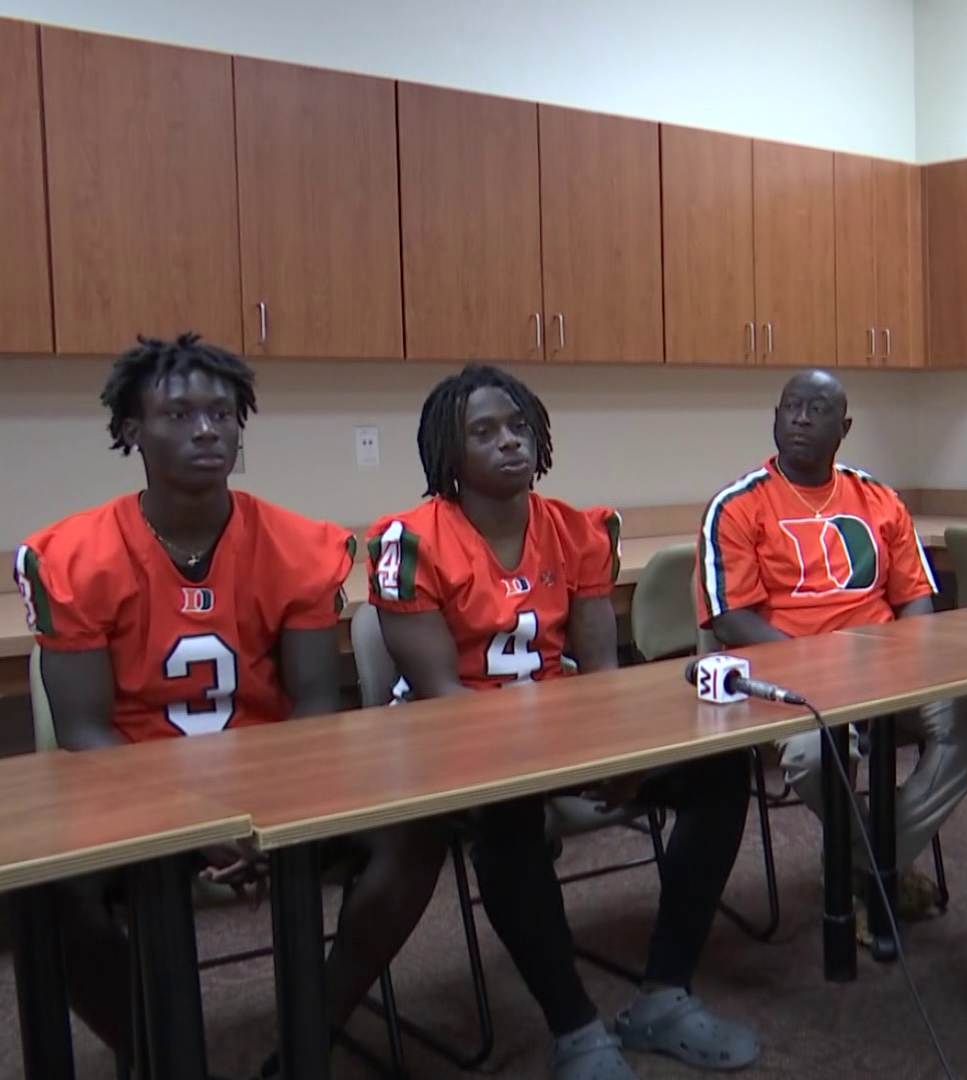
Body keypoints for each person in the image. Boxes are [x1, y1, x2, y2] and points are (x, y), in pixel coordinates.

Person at [11, 334, 445, 1074]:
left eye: (221, 413)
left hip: (273, 784)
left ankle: (310, 1032)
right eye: (178, 415)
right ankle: (160, 1056)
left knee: (417, 834)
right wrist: (196, 821)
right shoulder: (74, 558)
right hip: (132, 793)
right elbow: (84, 733)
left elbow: (313, 709)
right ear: (131, 431)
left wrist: (260, 814)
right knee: (44, 892)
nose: (206, 429)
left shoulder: (294, 544)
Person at [370, 364, 757, 1080]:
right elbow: (440, 696)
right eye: (483, 432)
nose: (510, 442)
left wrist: (617, 752)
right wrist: (560, 761)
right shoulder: (412, 540)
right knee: (508, 812)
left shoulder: (578, 531)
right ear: (449, 455)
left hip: (562, 727)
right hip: (458, 743)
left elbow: (599, 675)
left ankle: (664, 993)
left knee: (719, 766)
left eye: (519, 426)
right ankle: (576, 1030)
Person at [698, 369, 967, 944]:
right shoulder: (738, 505)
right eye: (791, 407)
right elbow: (731, 618)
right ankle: (880, 867)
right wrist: (819, 669)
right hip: (792, 678)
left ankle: (865, 865)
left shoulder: (879, 499)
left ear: (844, 427)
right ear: (775, 418)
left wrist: (906, 660)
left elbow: (916, 600)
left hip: (888, 670)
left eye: (818, 409)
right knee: (811, 756)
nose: (801, 418)